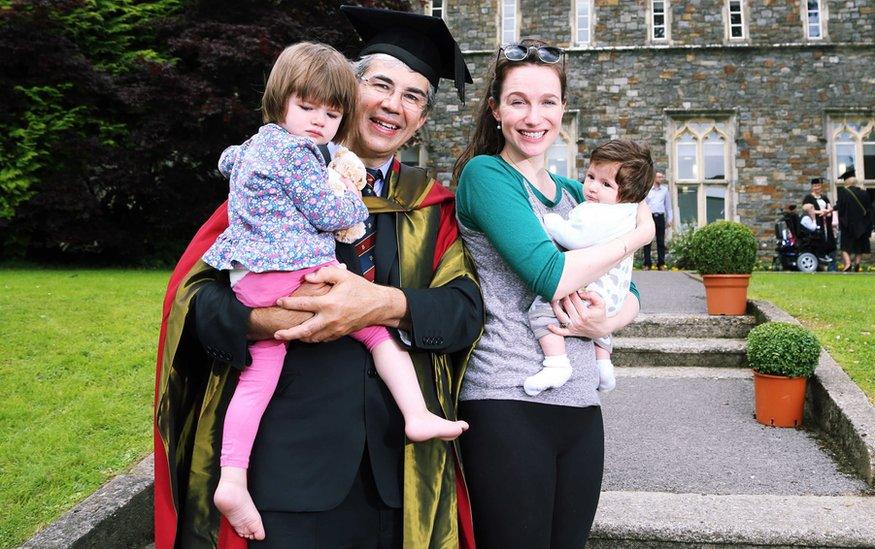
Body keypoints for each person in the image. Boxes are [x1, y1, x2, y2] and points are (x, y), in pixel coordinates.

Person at [153, 7, 484, 548]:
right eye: (380, 85)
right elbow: (195, 305)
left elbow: (465, 311)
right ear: (350, 92)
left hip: (396, 477)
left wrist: (380, 306)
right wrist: (269, 319)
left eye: (413, 96)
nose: (393, 106)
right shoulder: (271, 180)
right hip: (287, 468)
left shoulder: (432, 207)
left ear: (422, 120)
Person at [451, 39, 654, 548]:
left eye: (547, 102)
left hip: (581, 406)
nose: (533, 116)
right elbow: (551, 274)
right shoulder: (487, 176)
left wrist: (606, 323)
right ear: (495, 110)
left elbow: (628, 289)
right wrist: (636, 235)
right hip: (507, 400)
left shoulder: (573, 192)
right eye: (518, 101)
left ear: (563, 109)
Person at [524, 140, 653, 397]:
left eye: (606, 184)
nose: (592, 188)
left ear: (627, 194)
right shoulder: (628, 212)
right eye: (591, 177)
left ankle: (556, 363)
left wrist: (552, 223)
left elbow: (577, 238)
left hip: (589, 289)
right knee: (600, 328)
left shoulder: (599, 212)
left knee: (540, 310)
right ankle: (603, 363)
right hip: (614, 295)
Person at [834, 169, 872, 272]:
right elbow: (869, 210)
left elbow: (839, 207)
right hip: (862, 225)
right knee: (859, 246)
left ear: (846, 182)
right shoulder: (865, 193)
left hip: (848, 225)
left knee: (845, 246)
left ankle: (848, 264)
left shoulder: (843, 193)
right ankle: (857, 263)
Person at [801, 177, 837, 269]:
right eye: (815, 186)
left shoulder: (824, 197)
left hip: (826, 223)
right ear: (812, 187)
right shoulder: (808, 198)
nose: (817, 187)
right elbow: (806, 209)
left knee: (829, 242)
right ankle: (819, 265)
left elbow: (829, 207)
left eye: (819, 185)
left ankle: (831, 267)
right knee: (819, 242)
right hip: (816, 224)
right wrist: (820, 212)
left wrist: (827, 211)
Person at [642, 171, 672, 270]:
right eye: (659, 177)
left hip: (660, 217)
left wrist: (669, 218)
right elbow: (643, 205)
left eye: (662, 177)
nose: (661, 179)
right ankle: (647, 264)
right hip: (649, 217)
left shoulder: (664, 190)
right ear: (654, 178)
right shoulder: (648, 190)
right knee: (647, 241)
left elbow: (668, 206)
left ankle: (661, 264)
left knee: (660, 241)